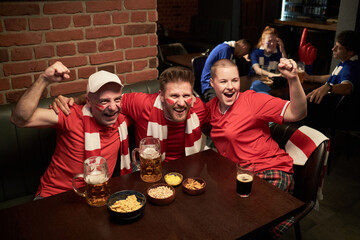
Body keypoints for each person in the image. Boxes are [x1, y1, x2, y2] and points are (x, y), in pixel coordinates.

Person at [207, 58, 306, 238]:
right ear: (212, 83)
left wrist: (293, 79)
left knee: (250, 221)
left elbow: (298, 113)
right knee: (215, 213)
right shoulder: (211, 108)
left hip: (271, 170)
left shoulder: (252, 100)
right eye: (223, 81)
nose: (230, 86)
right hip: (239, 174)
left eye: (234, 80)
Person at [10, 62, 132, 198]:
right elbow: (19, 119)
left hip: (97, 194)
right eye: (104, 101)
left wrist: (76, 98)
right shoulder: (70, 114)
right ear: (89, 101)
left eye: (117, 99)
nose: (113, 107)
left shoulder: (122, 120)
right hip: (54, 196)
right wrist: (44, 79)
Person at [52, 66, 210, 162]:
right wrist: (73, 99)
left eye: (186, 96)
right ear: (161, 96)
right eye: (174, 96)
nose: (181, 103)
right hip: (148, 169)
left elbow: (217, 129)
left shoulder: (199, 108)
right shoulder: (141, 103)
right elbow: (104, 100)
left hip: (188, 167)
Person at [302, 30, 360, 133]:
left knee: (300, 105)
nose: (333, 49)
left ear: (350, 52)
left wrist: (328, 87)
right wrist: (311, 78)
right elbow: (334, 76)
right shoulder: (346, 63)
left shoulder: (350, 68)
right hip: (328, 109)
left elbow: (347, 87)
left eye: (338, 47)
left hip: (332, 113)